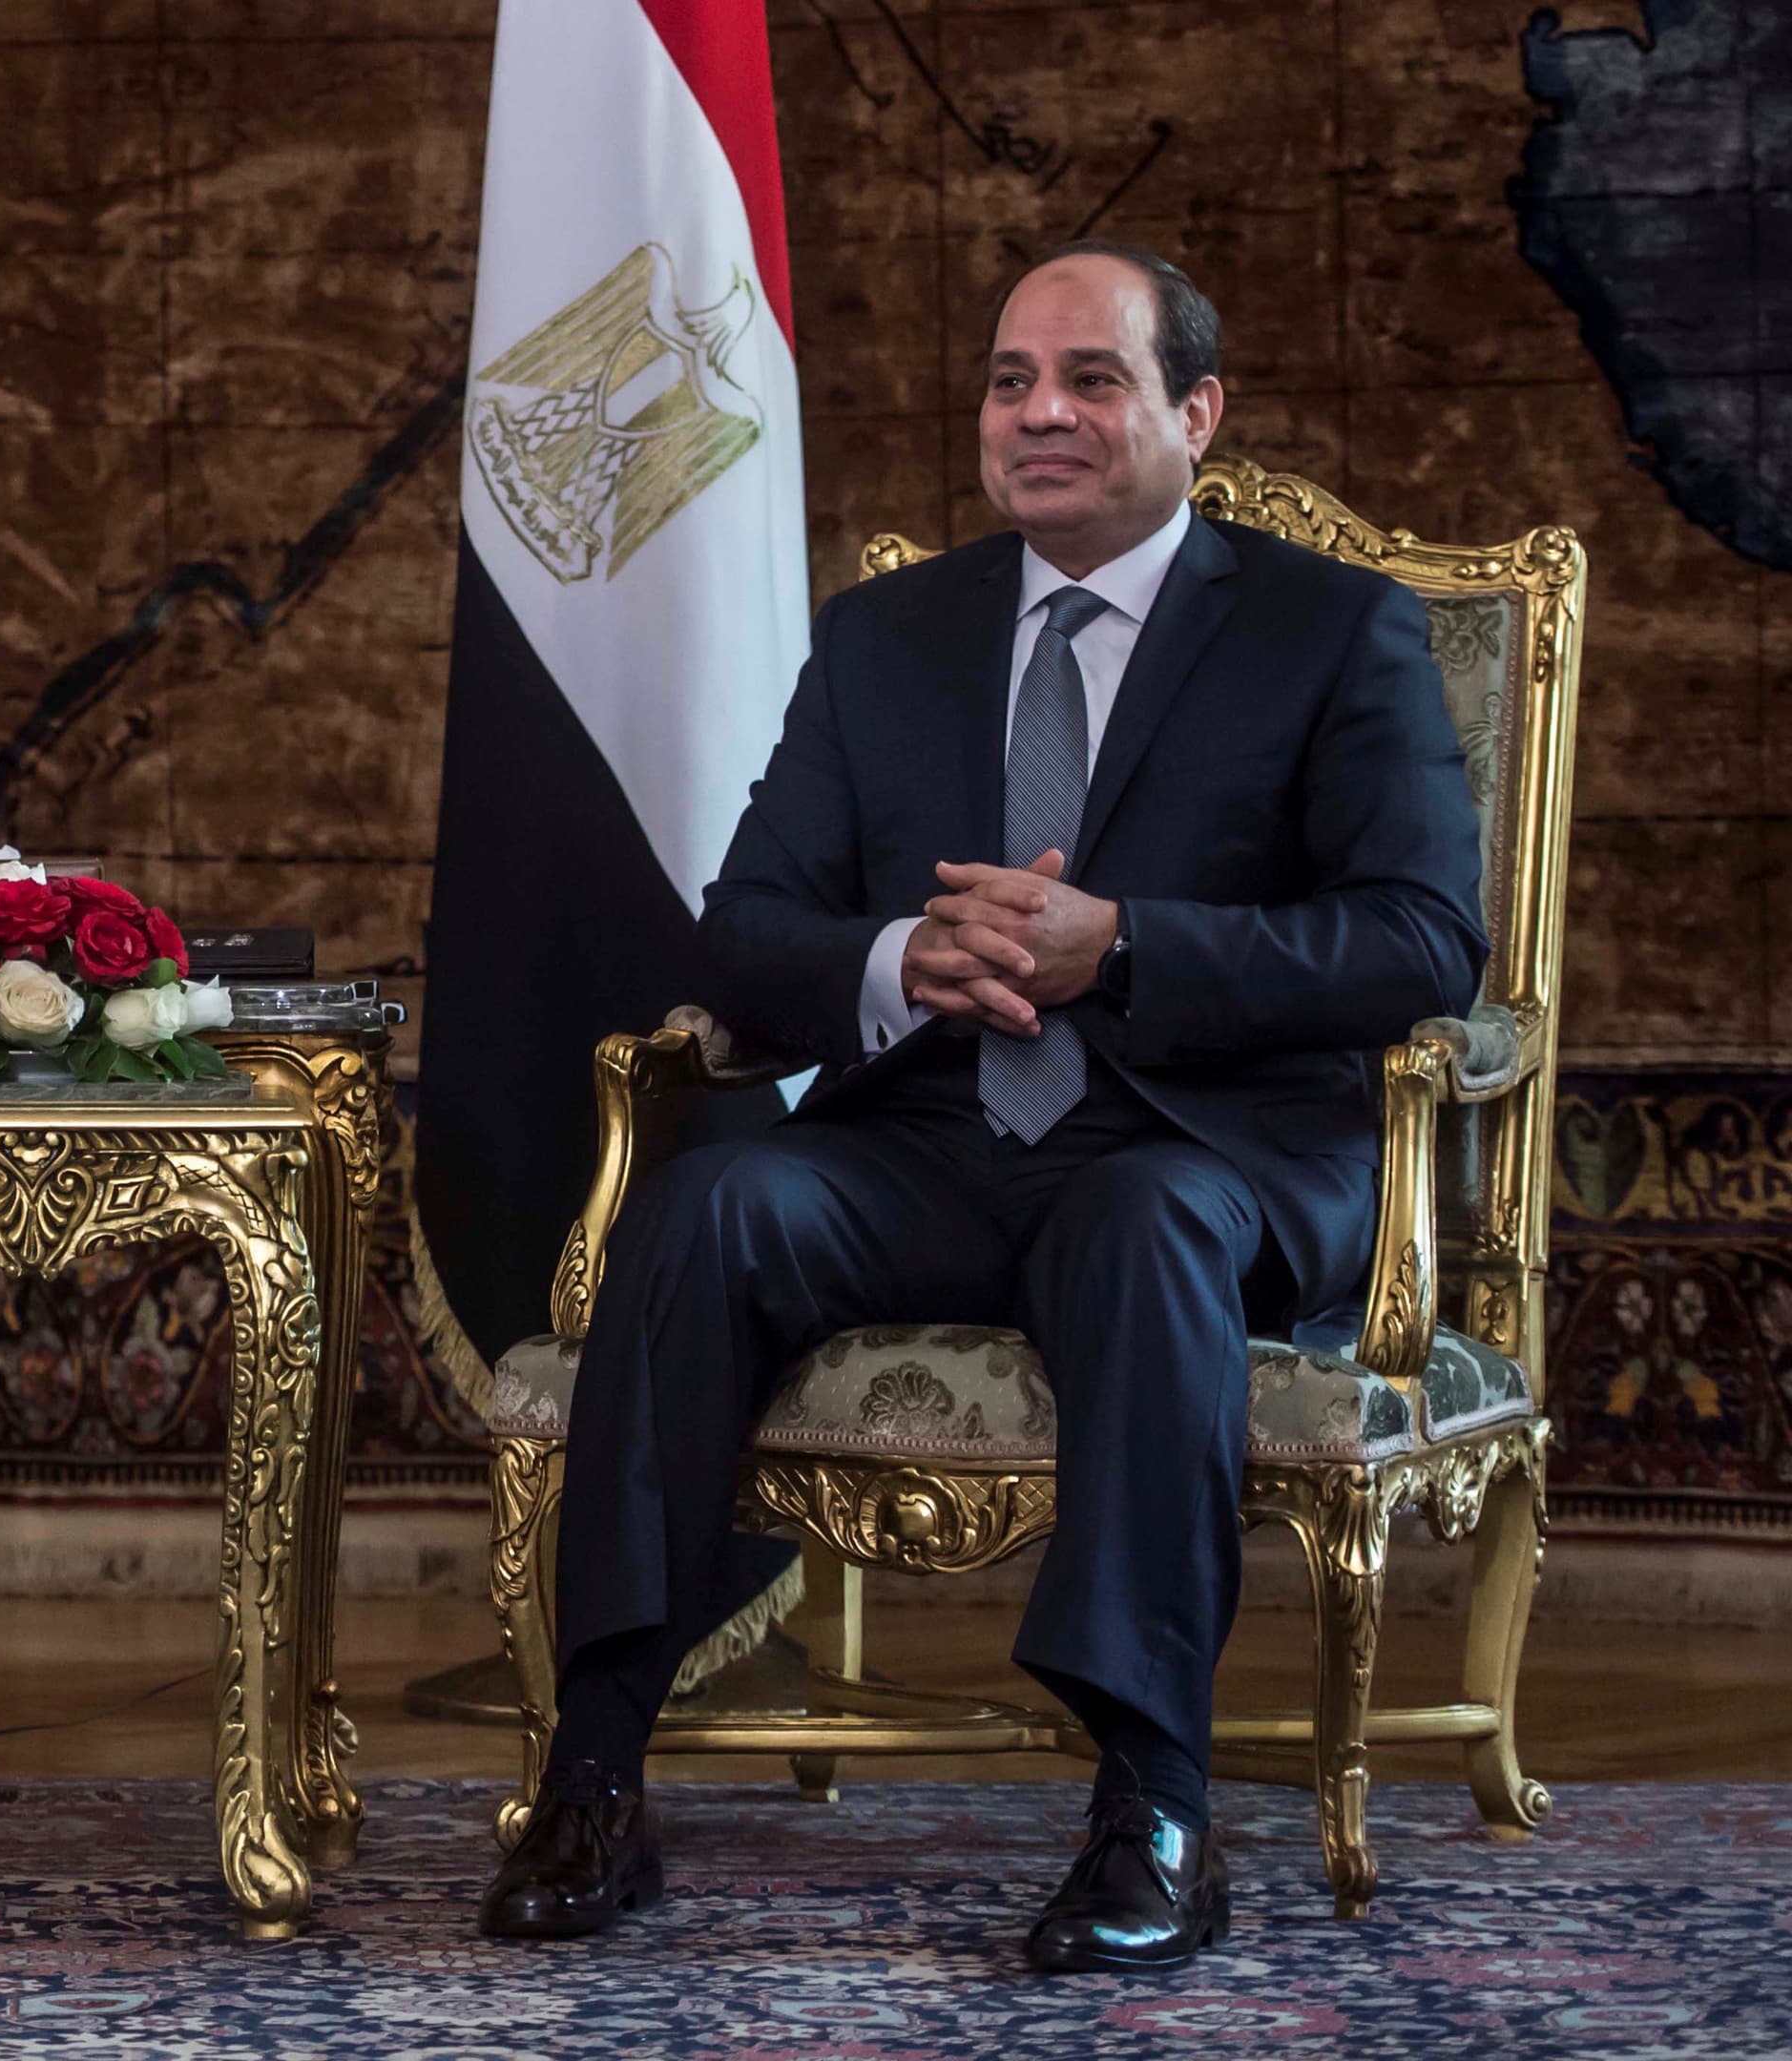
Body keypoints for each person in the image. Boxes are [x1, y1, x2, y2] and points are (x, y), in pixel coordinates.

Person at [474, 241, 1485, 1971]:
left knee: (1144, 1223)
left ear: (1195, 412)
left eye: (1092, 379)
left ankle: (1152, 1806)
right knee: (716, 1203)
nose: (1042, 415)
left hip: (1201, 1151)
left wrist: (1129, 952)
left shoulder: (1330, 630)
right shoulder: (888, 637)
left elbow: (1425, 941)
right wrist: (893, 962)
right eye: (1013, 381)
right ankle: (596, 1770)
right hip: (931, 1142)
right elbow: (749, 933)